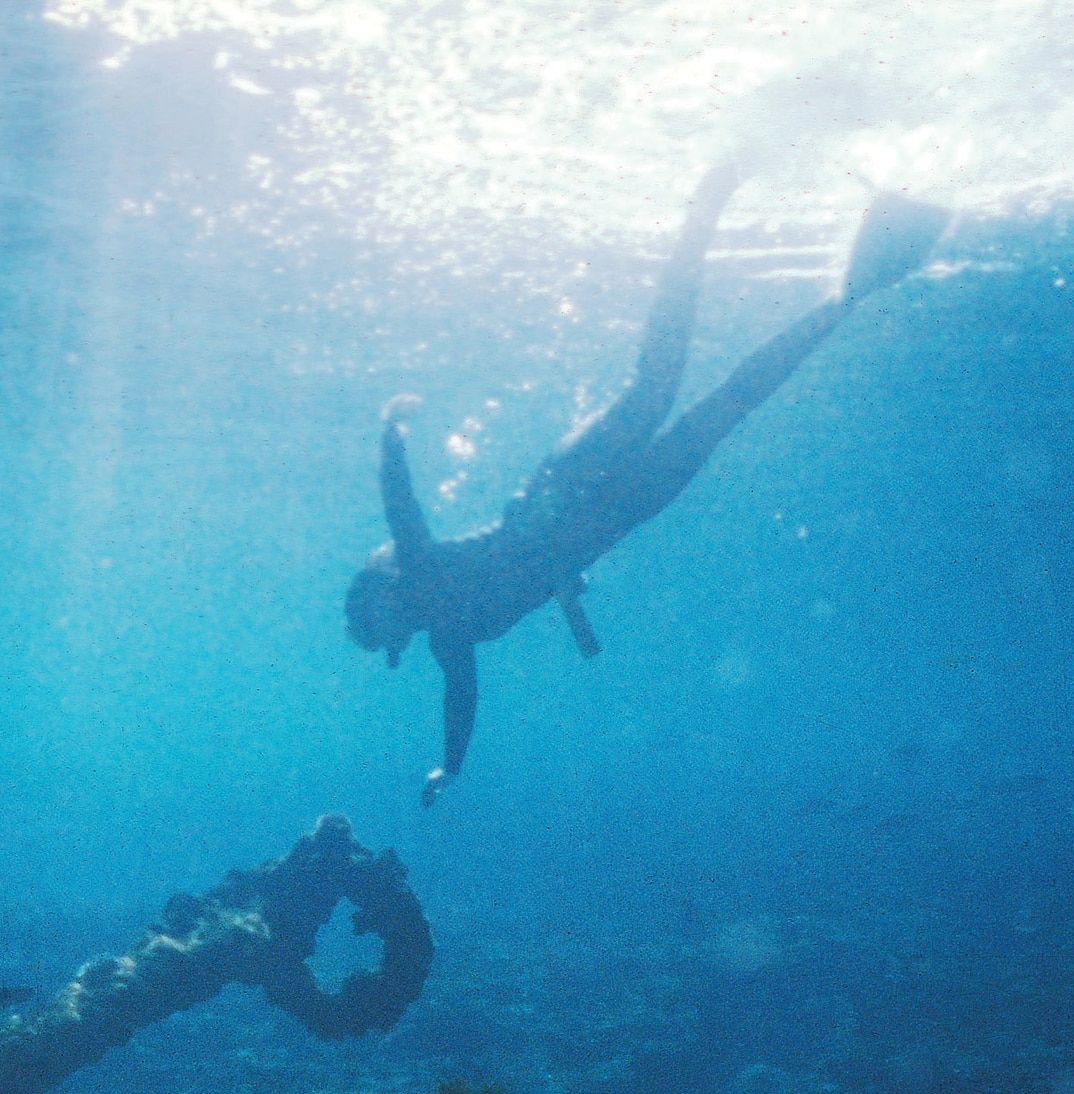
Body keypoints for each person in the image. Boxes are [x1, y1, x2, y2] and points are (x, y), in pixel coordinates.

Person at [344, 166, 950, 805]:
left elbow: (401, 506)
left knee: (660, 380)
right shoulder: (448, 639)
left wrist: (391, 432)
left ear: (384, 594)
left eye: (378, 621)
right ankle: (850, 294)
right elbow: (461, 700)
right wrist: (451, 767)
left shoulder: (423, 575)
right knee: (728, 405)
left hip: (570, 487)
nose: (389, 630)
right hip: (614, 517)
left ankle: (707, 205)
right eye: (382, 634)